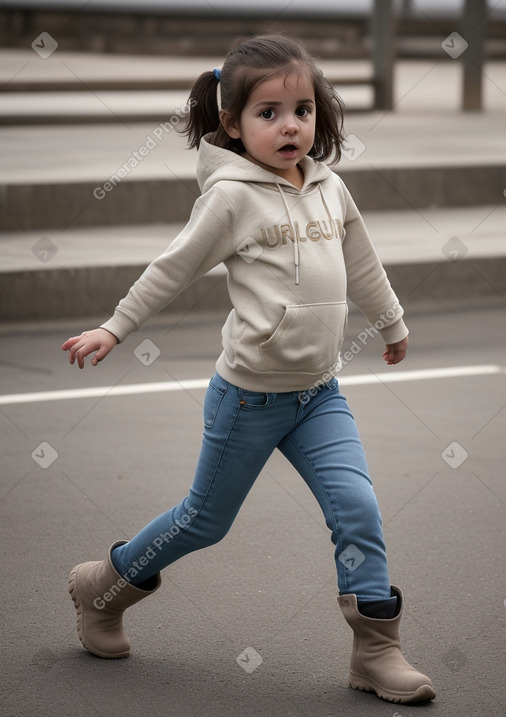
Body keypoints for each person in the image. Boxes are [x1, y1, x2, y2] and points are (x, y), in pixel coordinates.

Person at [63, 34, 435, 705]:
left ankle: (377, 649)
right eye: (268, 113)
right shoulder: (232, 199)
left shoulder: (330, 187)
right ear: (231, 124)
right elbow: (171, 268)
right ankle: (103, 587)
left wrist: (394, 321)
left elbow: (363, 265)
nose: (290, 124)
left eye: (302, 109)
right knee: (203, 521)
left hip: (320, 395)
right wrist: (114, 325)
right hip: (248, 401)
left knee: (358, 507)